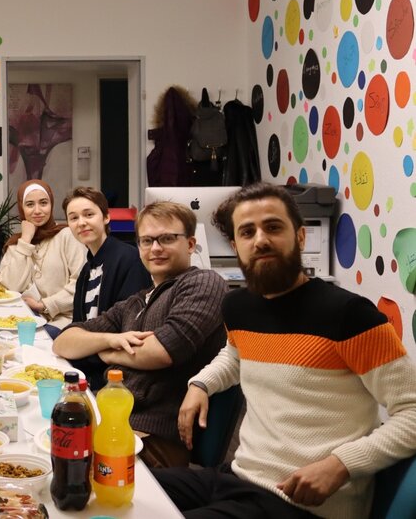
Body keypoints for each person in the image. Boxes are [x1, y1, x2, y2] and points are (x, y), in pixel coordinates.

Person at [154, 183, 416, 519]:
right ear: (236, 246)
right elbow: (236, 356)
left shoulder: (350, 316)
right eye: (247, 232)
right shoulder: (238, 306)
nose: (260, 239)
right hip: (237, 476)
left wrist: (341, 464)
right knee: (126, 486)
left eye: (273, 227)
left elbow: (411, 411)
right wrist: (200, 384)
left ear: (301, 237)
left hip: (300, 503)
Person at [53, 201, 227, 468]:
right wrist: (111, 339)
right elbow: (64, 343)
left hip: (153, 439)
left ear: (190, 244)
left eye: (166, 239)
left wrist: (101, 350)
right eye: (146, 241)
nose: (155, 248)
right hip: (110, 420)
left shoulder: (202, 283)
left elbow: (160, 352)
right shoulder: (135, 302)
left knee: (65, 472)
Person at [0, 180, 86, 332]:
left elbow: (81, 283)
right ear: (22, 208)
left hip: (63, 321)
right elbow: (12, 286)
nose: (37, 211)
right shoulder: (16, 245)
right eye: (30, 204)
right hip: (24, 318)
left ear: (51, 204)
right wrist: (25, 240)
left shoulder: (67, 236)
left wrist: (45, 305)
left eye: (43, 203)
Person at [66, 187, 150, 324]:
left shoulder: (130, 259)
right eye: (74, 218)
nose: (81, 223)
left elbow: (130, 322)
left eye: (89, 215)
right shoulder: (87, 270)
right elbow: (78, 323)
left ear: (106, 217)